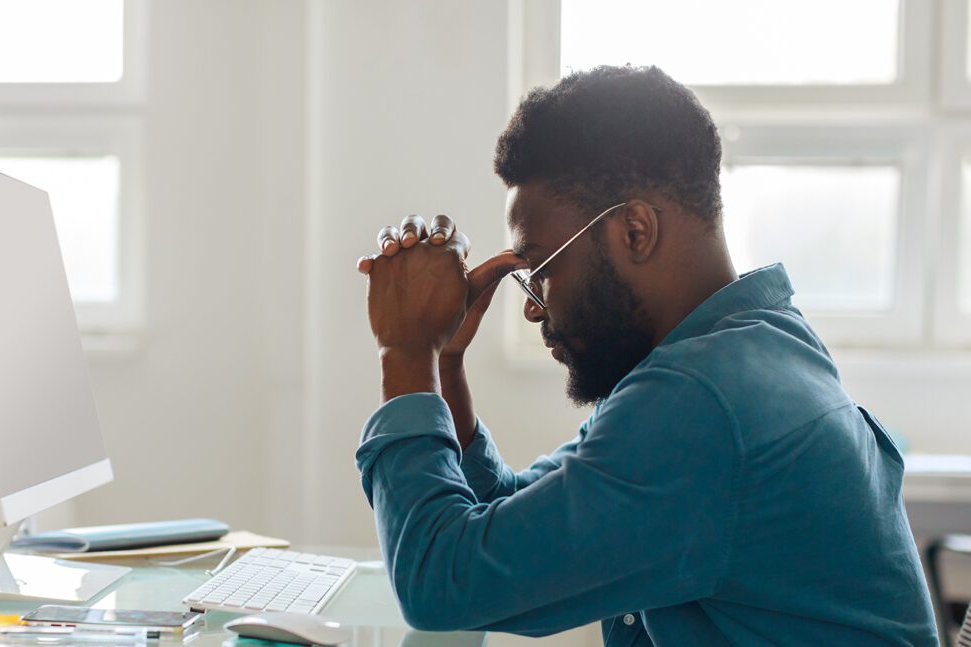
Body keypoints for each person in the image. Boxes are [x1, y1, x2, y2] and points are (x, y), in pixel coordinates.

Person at [354, 65, 938, 646]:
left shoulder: (705, 403)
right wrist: (445, 365)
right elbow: (512, 517)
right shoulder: (755, 348)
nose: (533, 308)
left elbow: (441, 584)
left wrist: (404, 351)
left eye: (542, 269)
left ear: (635, 231)